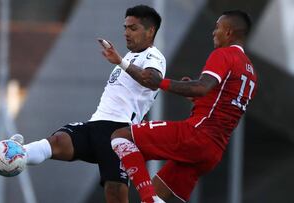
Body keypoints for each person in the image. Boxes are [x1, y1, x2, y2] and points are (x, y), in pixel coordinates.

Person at [10, 5, 166, 203]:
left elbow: (152, 81)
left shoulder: (154, 56)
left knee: (115, 193)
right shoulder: (129, 56)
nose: (126, 33)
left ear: (150, 31)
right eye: (125, 27)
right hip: (96, 124)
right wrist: (122, 61)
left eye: (133, 28)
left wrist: (121, 62)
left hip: (120, 134)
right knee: (58, 141)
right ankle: (14, 155)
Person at [107, 10, 257, 203]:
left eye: (217, 27)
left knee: (121, 136)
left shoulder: (224, 54)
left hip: (196, 135)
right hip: (213, 151)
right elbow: (225, 105)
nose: (213, 32)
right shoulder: (251, 72)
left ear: (228, 32)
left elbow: (201, 87)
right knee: (158, 194)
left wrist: (160, 82)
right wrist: (195, 97)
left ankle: (148, 198)